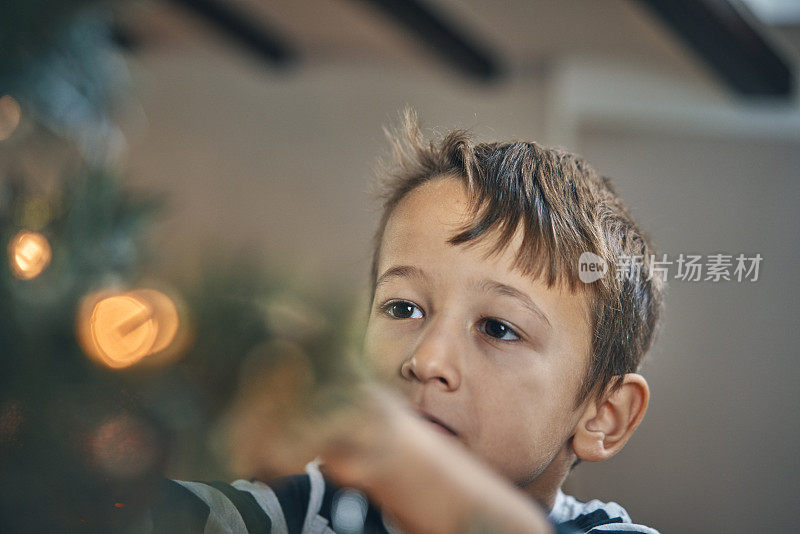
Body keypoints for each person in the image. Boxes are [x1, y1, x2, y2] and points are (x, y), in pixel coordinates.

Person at [147, 108, 664, 533]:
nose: (427, 359)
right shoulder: (299, 507)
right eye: (403, 308)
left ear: (604, 415)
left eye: (498, 328)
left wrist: (408, 467)